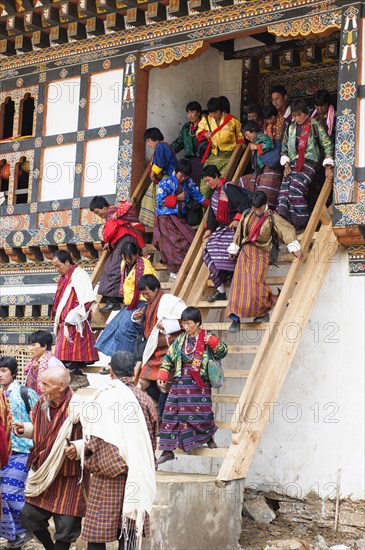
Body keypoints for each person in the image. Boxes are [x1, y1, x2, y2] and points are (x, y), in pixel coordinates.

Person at [80, 351, 158, 550]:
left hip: (106, 476)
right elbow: (150, 443)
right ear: (134, 371)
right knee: (129, 533)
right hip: (136, 475)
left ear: (111, 371)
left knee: (98, 536)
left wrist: (89, 459)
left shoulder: (101, 398)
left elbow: (93, 440)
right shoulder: (147, 401)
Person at [14, 366, 89, 550]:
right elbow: (41, 430)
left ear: (62, 385)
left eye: (46, 385)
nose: (42, 389)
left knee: (66, 527)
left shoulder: (81, 406)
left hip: (69, 477)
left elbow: (93, 437)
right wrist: (26, 429)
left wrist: (78, 448)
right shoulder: (42, 403)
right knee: (29, 517)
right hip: (45, 473)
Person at [157, 306, 228, 465]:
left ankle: (208, 437)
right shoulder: (179, 340)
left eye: (189, 323)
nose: (186, 327)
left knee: (202, 413)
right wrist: (163, 373)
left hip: (199, 383)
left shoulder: (207, 338)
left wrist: (215, 343)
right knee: (169, 413)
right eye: (184, 324)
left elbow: (222, 352)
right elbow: (169, 359)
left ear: (197, 322)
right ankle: (167, 450)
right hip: (180, 382)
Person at [226, 191, 303, 332]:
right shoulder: (247, 214)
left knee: (255, 284)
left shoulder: (272, 217)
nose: (256, 211)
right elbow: (239, 233)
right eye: (254, 208)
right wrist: (234, 248)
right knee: (238, 284)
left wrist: (293, 246)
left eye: (259, 209)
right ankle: (235, 319)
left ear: (265, 205)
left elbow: (287, 230)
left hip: (261, 253)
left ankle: (262, 313)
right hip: (245, 251)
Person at [277, 98, 334, 230]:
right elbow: (284, 147)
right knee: (284, 192)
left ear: (306, 113)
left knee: (295, 190)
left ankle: (301, 223)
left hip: (310, 162)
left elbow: (327, 144)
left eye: (299, 115)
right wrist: (285, 164)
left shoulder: (315, 124)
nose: (297, 118)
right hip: (292, 163)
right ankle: (284, 224)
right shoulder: (290, 128)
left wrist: (328, 166)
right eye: (294, 116)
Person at [0, 357, 39, 548]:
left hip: (22, 450)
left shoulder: (25, 393)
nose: (0, 374)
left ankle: (27, 528)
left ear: (13, 373)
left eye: (4, 370)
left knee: (9, 491)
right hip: (3, 452)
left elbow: (41, 417)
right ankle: (14, 536)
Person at [136, 275, 186, 417]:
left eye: (148, 293)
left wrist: (167, 325)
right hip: (154, 350)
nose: (146, 297)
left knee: (163, 384)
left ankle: (164, 416)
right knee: (143, 381)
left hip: (169, 351)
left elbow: (187, 320)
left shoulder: (170, 301)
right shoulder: (149, 305)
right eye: (143, 294)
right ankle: (160, 409)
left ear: (157, 289)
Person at [95, 242, 156, 358]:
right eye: (125, 257)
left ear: (136, 255)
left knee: (125, 329)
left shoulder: (144, 266)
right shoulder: (124, 264)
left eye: (130, 257)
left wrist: (145, 308)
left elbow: (147, 289)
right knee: (114, 327)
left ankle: (125, 359)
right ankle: (116, 358)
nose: (127, 260)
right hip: (130, 303)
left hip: (142, 302)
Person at [153, 158, 209, 281]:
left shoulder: (188, 182)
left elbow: (197, 195)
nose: (183, 178)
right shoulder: (165, 182)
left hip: (179, 217)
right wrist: (177, 197)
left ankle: (185, 267)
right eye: (181, 175)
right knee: (172, 242)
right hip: (165, 217)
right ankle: (174, 271)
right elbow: (160, 200)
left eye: (185, 176)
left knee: (189, 238)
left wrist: (209, 205)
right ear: (176, 171)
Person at [89, 190, 145, 313]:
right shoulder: (115, 211)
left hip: (125, 240)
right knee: (114, 267)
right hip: (126, 240)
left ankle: (114, 300)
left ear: (104, 207)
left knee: (115, 268)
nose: (100, 215)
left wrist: (106, 240)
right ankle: (118, 298)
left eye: (99, 212)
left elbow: (110, 231)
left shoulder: (112, 212)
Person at [202, 165, 251, 302]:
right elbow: (213, 213)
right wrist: (209, 229)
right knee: (208, 249)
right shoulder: (215, 193)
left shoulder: (229, 188)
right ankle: (220, 290)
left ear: (217, 177)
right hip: (223, 228)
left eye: (208, 180)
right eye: (205, 181)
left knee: (226, 249)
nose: (207, 184)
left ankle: (232, 275)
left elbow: (245, 204)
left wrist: (237, 219)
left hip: (237, 227)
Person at [52, 250, 99, 389]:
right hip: (65, 324)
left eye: (58, 266)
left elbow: (86, 298)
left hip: (75, 323)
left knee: (62, 355)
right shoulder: (64, 277)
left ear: (67, 262)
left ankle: (80, 377)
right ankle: (77, 377)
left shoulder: (79, 275)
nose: (57, 269)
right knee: (64, 355)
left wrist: (74, 316)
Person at [197, 96, 243, 197]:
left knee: (222, 181)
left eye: (216, 112)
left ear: (221, 111)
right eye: (211, 112)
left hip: (229, 156)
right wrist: (204, 134)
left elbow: (240, 139)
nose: (213, 115)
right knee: (205, 182)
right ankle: (205, 206)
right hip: (214, 154)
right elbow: (198, 132)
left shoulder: (232, 121)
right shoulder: (206, 120)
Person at [239, 121, 283, 210]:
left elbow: (269, 144)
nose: (247, 138)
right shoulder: (256, 139)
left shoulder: (260, 136)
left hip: (269, 168)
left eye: (247, 135)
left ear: (253, 130)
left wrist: (256, 147)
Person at [139, 127, 177, 228]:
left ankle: (159, 222)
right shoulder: (164, 146)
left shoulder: (160, 146)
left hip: (169, 176)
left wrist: (152, 173)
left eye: (149, 141)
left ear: (154, 138)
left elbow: (160, 163)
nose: (148, 144)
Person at [171, 101, 202, 185]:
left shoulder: (204, 126)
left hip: (202, 160)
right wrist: (168, 150)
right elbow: (179, 142)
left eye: (192, 112)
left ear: (198, 112)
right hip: (189, 161)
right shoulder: (186, 127)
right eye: (188, 113)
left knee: (199, 183)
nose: (190, 115)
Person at [24, 330, 64, 395]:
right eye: (30, 345)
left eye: (33, 345)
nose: (30, 349)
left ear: (44, 346)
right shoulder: (33, 362)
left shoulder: (53, 363)